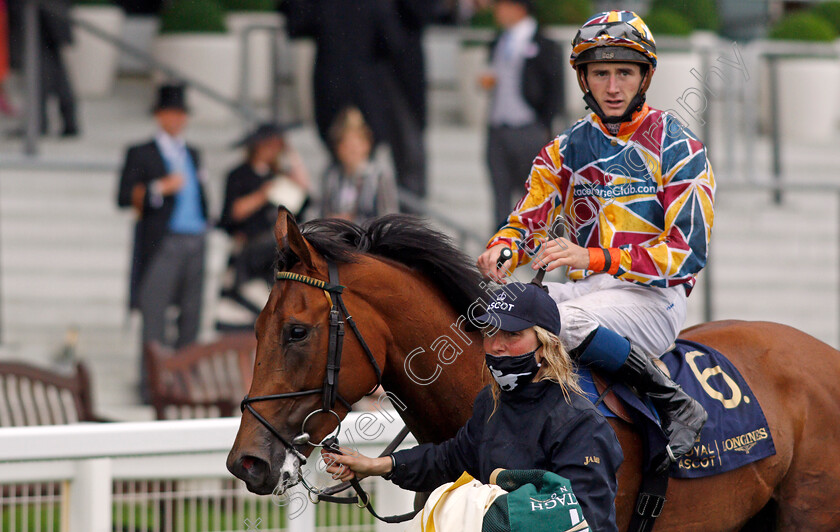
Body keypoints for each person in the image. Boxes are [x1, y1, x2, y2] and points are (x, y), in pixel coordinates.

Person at [476, 10, 716, 470]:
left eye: (624, 72)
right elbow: (528, 221)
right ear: (583, 78)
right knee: (493, 317)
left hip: (654, 299)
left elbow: (688, 254)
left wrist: (593, 255)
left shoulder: (678, 146)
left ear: (645, 76)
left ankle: (674, 403)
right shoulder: (565, 148)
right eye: (600, 73)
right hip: (588, 291)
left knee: (556, 320)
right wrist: (505, 247)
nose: (612, 87)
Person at [322, 283, 622, 532]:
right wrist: (376, 466)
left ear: (546, 346)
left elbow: (582, 517)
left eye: (512, 334)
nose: (495, 346)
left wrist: (485, 516)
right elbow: (451, 458)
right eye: (490, 333)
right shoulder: (490, 403)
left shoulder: (583, 424)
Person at [116, 83, 210, 399]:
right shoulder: (141, 152)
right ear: (159, 116)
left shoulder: (193, 153)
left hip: (195, 238)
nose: (176, 119)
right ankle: (151, 383)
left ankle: (183, 382)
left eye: (181, 113)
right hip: (163, 241)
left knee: (191, 314)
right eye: (171, 113)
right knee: (154, 312)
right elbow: (124, 195)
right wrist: (159, 188)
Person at [216, 122, 311, 329]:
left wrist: (292, 155)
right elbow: (233, 212)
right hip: (247, 253)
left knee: (274, 314)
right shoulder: (238, 175)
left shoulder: (279, 176)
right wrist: (263, 194)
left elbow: (304, 195)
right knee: (240, 313)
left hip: (273, 255)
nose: (273, 150)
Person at [479, 0, 563, 229]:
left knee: (536, 196)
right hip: (498, 127)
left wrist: (546, 126)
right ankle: (501, 251)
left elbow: (556, 90)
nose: (497, 11)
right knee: (499, 193)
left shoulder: (544, 44)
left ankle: (542, 252)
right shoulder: (497, 41)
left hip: (529, 127)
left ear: (518, 8)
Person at [320, 107, 399, 224]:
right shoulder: (332, 176)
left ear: (366, 145)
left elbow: (388, 218)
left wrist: (353, 223)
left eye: (354, 147)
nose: (351, 152)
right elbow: (322, 212)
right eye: (346, 146)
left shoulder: (379, 176)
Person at [37, 0, 78, 136]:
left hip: (46, 12)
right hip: (47, 13)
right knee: (51, 68)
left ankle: (40, 123)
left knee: (46, 70)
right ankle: (67, 121)